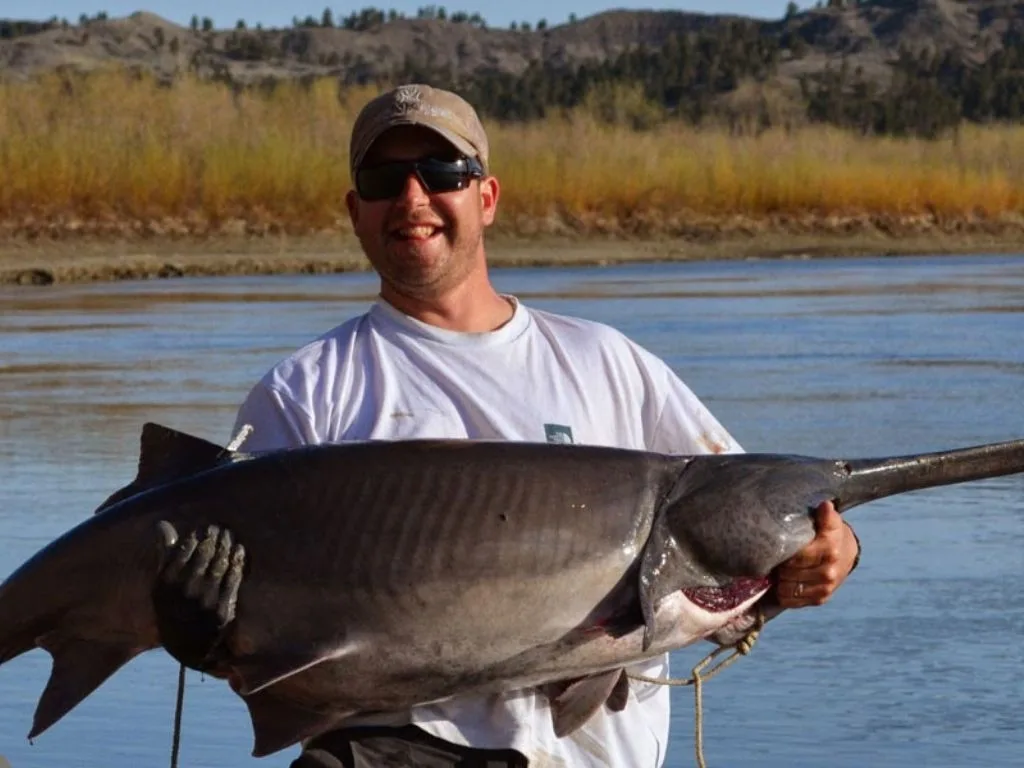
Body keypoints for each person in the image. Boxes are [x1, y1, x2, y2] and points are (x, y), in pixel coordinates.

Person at [152, 83, 862, 767]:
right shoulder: (303, 394)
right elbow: (262, 659)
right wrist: (203, 634)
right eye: (384, 179)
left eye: (442, 173)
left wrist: (835, 551)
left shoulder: (607, 363)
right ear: (354, 209)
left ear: (486, 197)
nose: (412, 198)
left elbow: (749, 522)